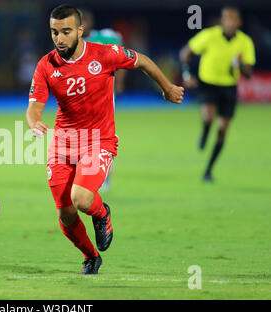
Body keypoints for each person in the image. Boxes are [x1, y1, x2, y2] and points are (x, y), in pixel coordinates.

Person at [26, 5, 183, 274]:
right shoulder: (46, 65)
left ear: (80, 30)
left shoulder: (104, 54)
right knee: (65, 213)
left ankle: (102, 213)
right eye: (54, 32)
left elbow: (142, 60)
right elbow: (34, 107)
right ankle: (91, 257)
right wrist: (33, 122)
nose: (59, 38)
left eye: (65, 32)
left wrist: (167, 88)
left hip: (99, 140)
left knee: (82, 200)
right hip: (63, 144)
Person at [179, 6, 255, 182]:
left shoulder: (245, 42)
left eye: (233, 18)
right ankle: (205, 131)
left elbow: (249, 74)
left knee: (222, 131)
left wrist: (240, 65)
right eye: (226, 18)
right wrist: (186, 74)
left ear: (239, 22)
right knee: (208, 117)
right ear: (222, 21)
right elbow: (185, 53)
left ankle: (208, 170)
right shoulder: (209, 35)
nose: (229, 22)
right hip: (208, 84)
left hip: (229, 87)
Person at [81, 9, 126, 192]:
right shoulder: (71, 44)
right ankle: (86, 176)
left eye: (86, 20)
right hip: (80, 97)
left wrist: (120, 83)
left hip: (104, 96)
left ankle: (105, 176)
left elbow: (121, 60)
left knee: (102, 137)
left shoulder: (105, 38)